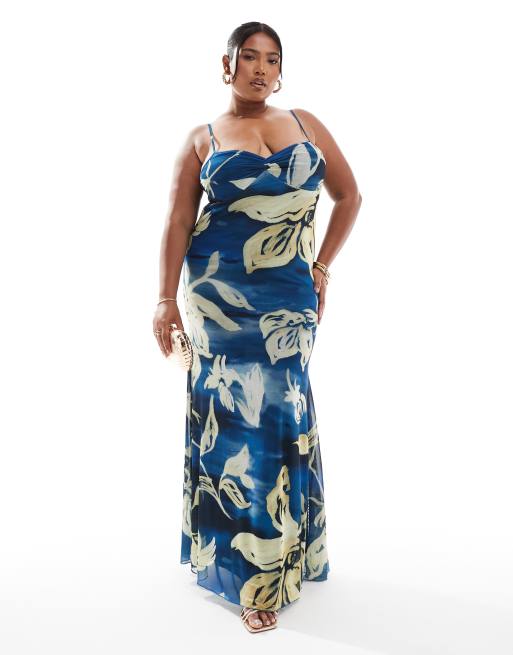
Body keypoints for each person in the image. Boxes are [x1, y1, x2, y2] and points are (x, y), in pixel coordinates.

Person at [153, 21, 362, 634]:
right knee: (232, 423)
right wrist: (164, 300)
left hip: (289, 297)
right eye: (249, 57)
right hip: (218, 299)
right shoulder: (203, 138)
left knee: (281, 413)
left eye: (272, 59)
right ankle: (247, 576)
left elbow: (349, 196)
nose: (261, 69)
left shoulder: (305, 124)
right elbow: (177, 222)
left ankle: (292, 551)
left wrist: (322, 266)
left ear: (280, 70)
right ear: (227, 66)